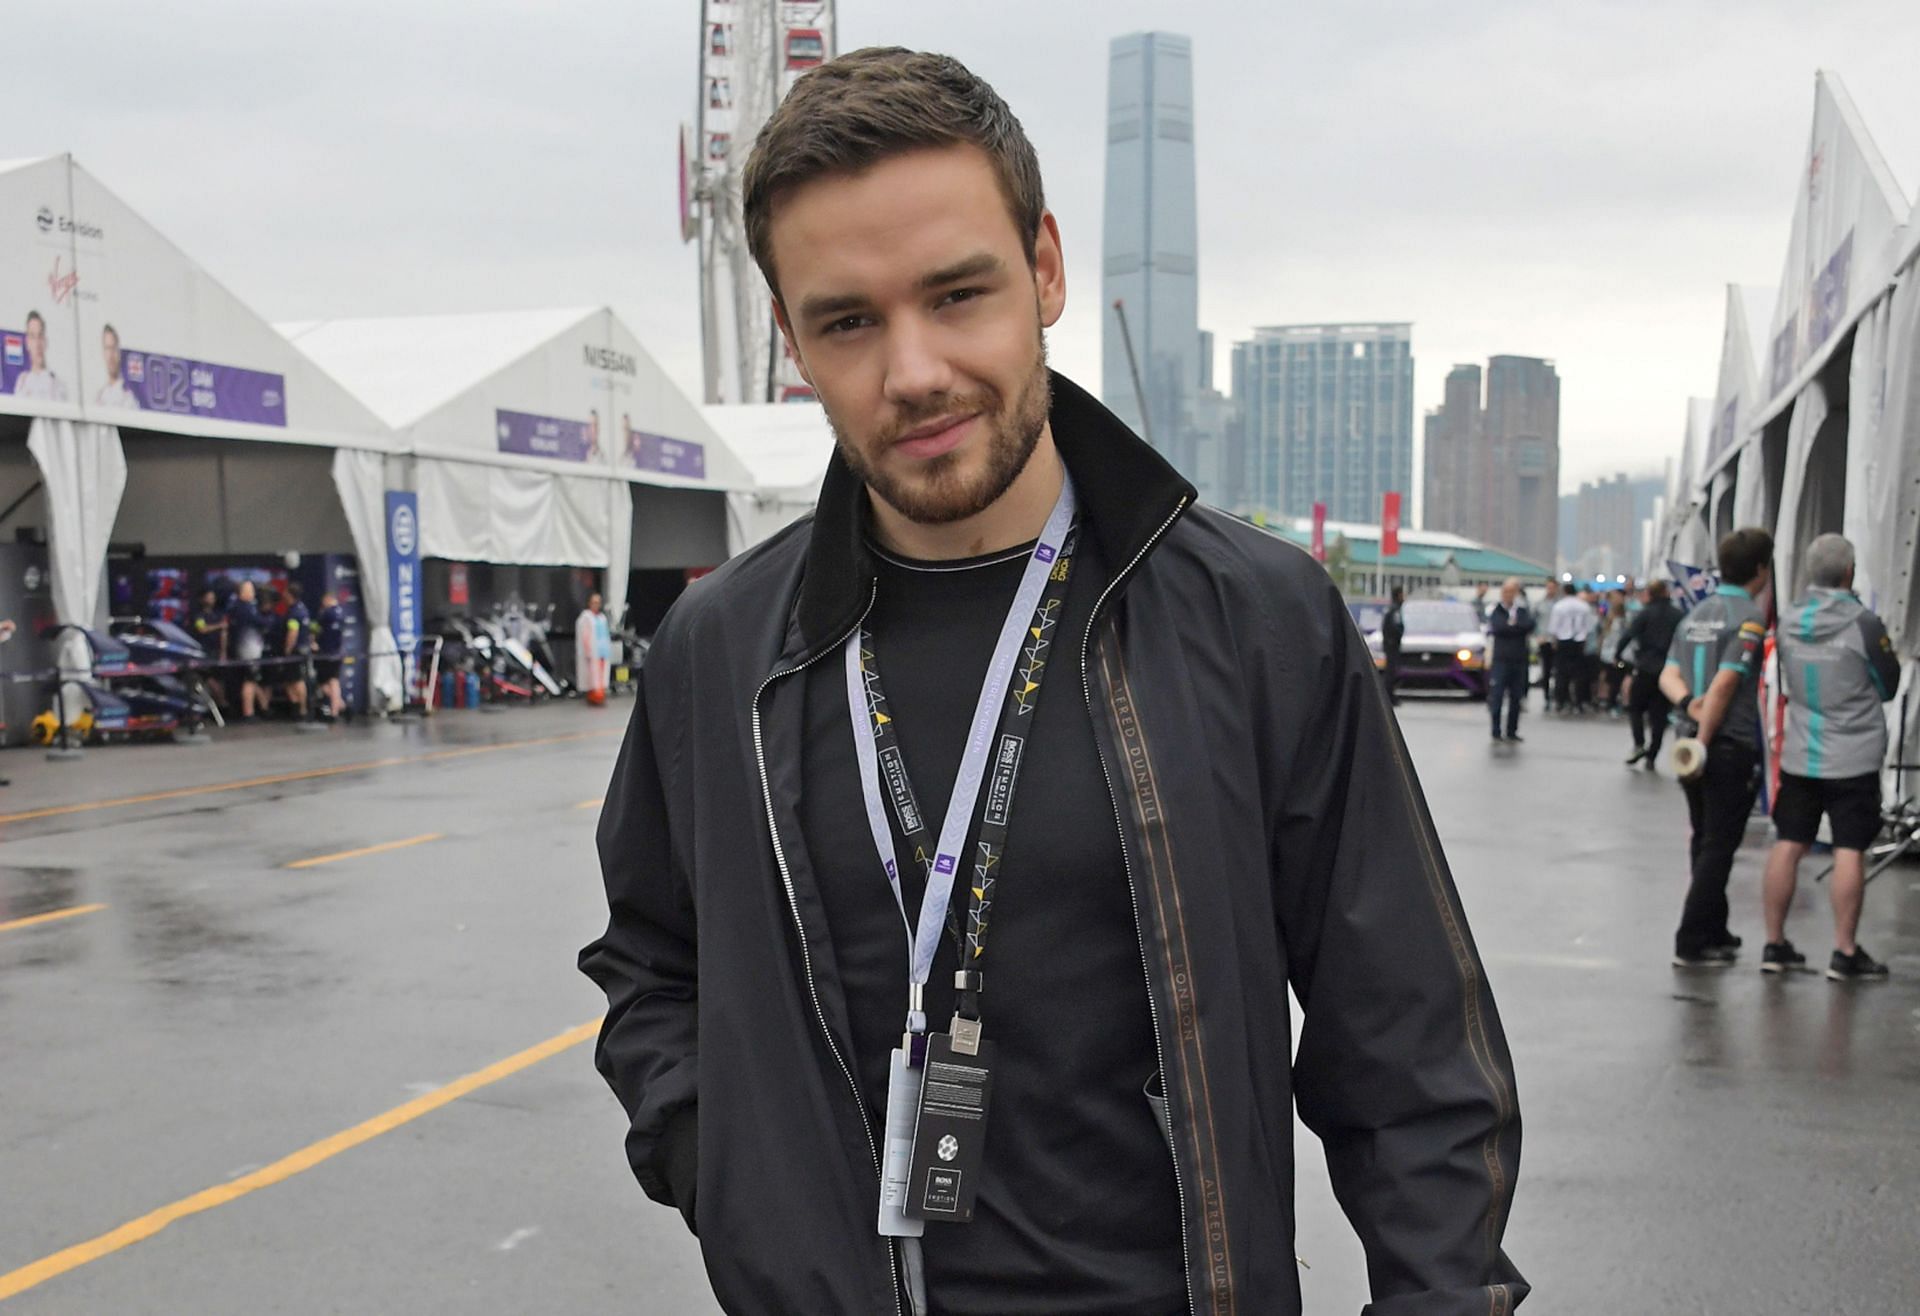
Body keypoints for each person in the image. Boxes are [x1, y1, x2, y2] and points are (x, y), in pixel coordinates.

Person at [579, 48, 1525, 1316]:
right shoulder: (724, 653)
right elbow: (651, 959)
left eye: (957, 293)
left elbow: (1408, 1041)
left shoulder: (1251, 620)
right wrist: (723, 1169)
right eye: (847, 320)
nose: (911, 370)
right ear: (792, 343)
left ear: (1047, 271)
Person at [1760, 534, 1898, 981]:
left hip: (1801, 751)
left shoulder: (1787, 622)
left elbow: (1784, 678)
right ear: (1849, 573)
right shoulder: (1864, 624)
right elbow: (1888, 684)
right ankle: (1844, 951)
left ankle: (1775, 944)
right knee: (1849, 849)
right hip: (1853, 755)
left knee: (1788, 844)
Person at [1660, 528, 1773, 968]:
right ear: (1761, 569)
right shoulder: (1748, 617)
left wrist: (1689, 708)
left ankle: (1713, 927)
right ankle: (1690, 939)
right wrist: (1705, 739)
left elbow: (1668, 676)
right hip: (1724, 743)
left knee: (1703, 834)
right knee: (1720, 844)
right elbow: (1726, 683)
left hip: (1686, 737)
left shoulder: (1694, 614)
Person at [1620, 580, 1681, 768]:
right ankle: (1653, 753)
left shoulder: (1645, 613)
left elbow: (1628, 635)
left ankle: (1639, 743)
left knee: (1635, 707)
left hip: (1645, 666)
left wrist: (1618, 654)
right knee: (1659, 714)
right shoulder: (1678, 615)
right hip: (1667, 670)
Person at [1486, 577, 1534, 743]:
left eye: (1512, 592)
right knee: (1497, 696)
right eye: (1506, 591)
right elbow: (1498, 628)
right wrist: (1514, 628)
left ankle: (1512, 730)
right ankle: (1496, 730)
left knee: (1516, 697)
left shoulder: (1521, 611)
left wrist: (1513, 627)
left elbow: (1528, 625)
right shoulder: (1496, 611)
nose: (1508, 595)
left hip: (1518, 660)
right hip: (1501, 659)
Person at [225, 580, 269, 721]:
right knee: (249, 680)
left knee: (251, 680)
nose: (253, 593)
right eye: (250, 590)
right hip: (248, 651)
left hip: (238, 650)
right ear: (242, 592)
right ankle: (248, 713)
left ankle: (264, 707)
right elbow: (260, 622)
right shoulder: (247, 609)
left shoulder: (234, 607)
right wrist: (270, 620)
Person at [1549, 583, 1596, 712]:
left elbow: (1554, 627)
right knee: (1579, 674)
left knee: (1561, 673)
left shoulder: (1559, 606)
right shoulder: (1584, 606)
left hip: (1563, 641)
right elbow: (1588, 627)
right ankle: (1579, 701)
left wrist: (1554, 642)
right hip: (1578, 641)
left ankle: (1562, 700)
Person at [12, 310, 70, 401]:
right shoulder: (22, 382)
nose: (37, 344)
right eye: (33, 337)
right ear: (27, 342)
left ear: (45, 341)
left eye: (40, 336)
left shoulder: (57, 385)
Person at [279, 582, 313, 718]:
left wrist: (288, 648)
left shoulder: (294, 613)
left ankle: (302, 710)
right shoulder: (303, 609)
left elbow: (293, 631)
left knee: (297, 680)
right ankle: (296, 707)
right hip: (304, 649)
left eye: (285, 593)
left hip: (296, 651)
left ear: (290, 595)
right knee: (290, 680)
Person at [313, 589, 347, 720]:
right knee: (333, 681)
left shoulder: (326, 613)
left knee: (327, 682)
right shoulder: (341, 612)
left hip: (327, 653)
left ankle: (335, 710)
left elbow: (316, 627)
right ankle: (340, 706)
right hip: (338, 653)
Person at [574, 592, 611, 704]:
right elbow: (584, 635)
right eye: (594, 602)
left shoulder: (602, 617)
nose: (596, 605)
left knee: (601, 674)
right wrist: (588, 650)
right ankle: (594, 695)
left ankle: (600, 694)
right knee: (592, 674)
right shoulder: (586, 617)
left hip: (602, 650)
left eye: (598, 602)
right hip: (591, 650)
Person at [94, 323, 137, 408]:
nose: (111, 355)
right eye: (107, 348)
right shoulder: (100, 395)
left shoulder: (128, 393)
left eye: (113, 348)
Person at [1535, 578, 1561, 708]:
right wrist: (1537, 636)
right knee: (1546, 669)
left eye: (1552, 587)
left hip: (1557, 640)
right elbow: (1534, 621)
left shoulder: (1560, 604)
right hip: (1544, 639)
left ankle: (1557, 695)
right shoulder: (1540, 603)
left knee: (1558, 670)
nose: (1550, 590)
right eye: (1548, 587)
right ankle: (1546, 697)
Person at [1381, 584, 1405, 705]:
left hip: (1389, 644)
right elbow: (1396, 627)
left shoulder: (1390, 609)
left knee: (1391, 671)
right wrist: (1398, 635)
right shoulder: (1395, 610)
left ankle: (1389, 694)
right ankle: (1389, 695)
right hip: (1392, 645)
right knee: (1391, 672)